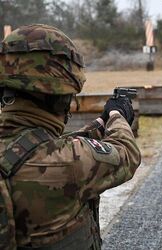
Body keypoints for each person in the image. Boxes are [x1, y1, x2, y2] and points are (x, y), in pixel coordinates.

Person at [0, 24, 141, 250]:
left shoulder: (63, 155)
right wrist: (117, 115)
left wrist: (99, 124)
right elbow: (126, 154)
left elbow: (34, 147)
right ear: (61, 98)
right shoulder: (71, 161)